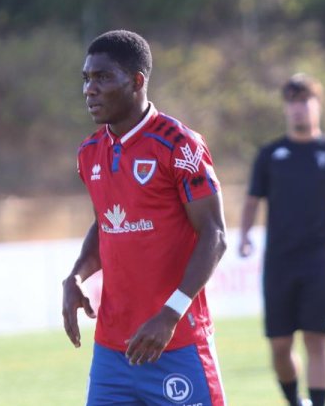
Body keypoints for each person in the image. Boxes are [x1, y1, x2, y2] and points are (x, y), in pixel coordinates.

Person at [62, 30, 228, 405]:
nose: (90, 89)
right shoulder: (89, 153)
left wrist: (170, 315)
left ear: (137, 81)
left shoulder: (179, 144)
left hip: (176, 343)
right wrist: (77, 275)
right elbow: (107, 223)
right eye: (86, 79)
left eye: (103, 77)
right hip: (112, 352)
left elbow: (214, 236)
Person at [238, 74, 325, 406]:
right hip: (279, 261)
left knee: (317, 340)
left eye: (305, 101)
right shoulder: (270, 154)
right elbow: (252, 199)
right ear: (286, 108)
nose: (299, 109)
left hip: (317, 261)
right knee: (280, 345)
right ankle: (295, 400)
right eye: (293, 102)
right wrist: (245, 235)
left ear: (317, 105)